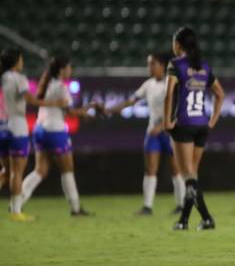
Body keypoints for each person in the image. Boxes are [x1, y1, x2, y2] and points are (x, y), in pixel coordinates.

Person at [106, 51, 185, 215]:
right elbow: (130, 101)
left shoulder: (173, 83)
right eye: (149, 64)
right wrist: (110, 110)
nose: (149, 67)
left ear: (162, 66)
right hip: (153, 133)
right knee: (150, 169)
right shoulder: (148, 84)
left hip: (170, 133)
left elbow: (179, 112)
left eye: (152, 64)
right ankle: (147, 207)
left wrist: (163, 126)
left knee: (175, 170)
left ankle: (181, 205)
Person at [21, 55, 99, 216]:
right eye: (69, 67)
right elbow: (70, 112)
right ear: (62, 70)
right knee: (67, 170)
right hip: (55, 131)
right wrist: (88, 111)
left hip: (39, 130)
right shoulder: (61, 87)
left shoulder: (46, 84)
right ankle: (75, 208)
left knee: (40, 170)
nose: (70, 70)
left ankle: (17, 202)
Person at [163, 26, 225, 231]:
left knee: (187, 175)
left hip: (184, 125)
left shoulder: (176, 65)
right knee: (192, 175)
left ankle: (205, 218)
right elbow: (220, 94)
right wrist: (213, 120)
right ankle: (186, 220)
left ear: (178, 44)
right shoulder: (204, 66)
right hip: (201, 125)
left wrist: (167, 121)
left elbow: (168, 93)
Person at [1, 48, 68, 222]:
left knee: (6, 171)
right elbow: (30, 100)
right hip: (17, 127)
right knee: (16, 172)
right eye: (21, 59)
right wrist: (55, 103)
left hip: (2, 126)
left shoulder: (2, 78)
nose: (22, 62)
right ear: (16, 62)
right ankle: (16, 212)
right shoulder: (19, 78)